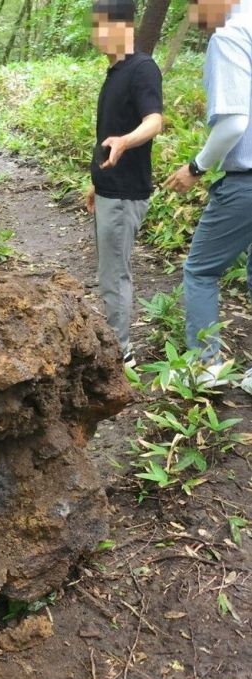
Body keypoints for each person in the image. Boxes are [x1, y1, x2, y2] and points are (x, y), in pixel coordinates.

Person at [165, 0, 252, 388]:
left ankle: (205, 368)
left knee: (200, 271)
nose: (193, 13)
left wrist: (196, 168)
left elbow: (234, 121)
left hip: (246, 182)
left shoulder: (230, 35)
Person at [87, 0, 164, 368]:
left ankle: (120, 354)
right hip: (108, 189)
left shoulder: (142, 69)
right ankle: (116, 343)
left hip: (124, 194)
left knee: (114, 274)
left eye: (100, 26)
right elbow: (107, 132)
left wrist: (125, 142)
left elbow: (154, 121)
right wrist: (96, 180)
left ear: (122, 27)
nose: (95, 36)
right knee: (108, 271)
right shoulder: (115, 72)